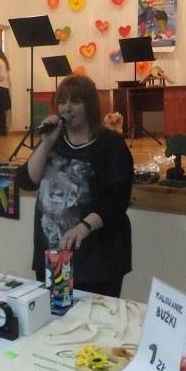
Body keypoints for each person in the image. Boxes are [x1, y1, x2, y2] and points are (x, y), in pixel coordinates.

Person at [16, 75, 134, 297]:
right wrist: (46, 144)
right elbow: (26, 181)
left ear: (90, 106)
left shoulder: (111, 144)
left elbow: (118, 200)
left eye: (76, 101)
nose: (67, 108)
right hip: (56, 256)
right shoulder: (54, 141)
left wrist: (84, 226)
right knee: (58, 313)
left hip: (96, 261)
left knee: (93, 316)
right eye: (62, 102)